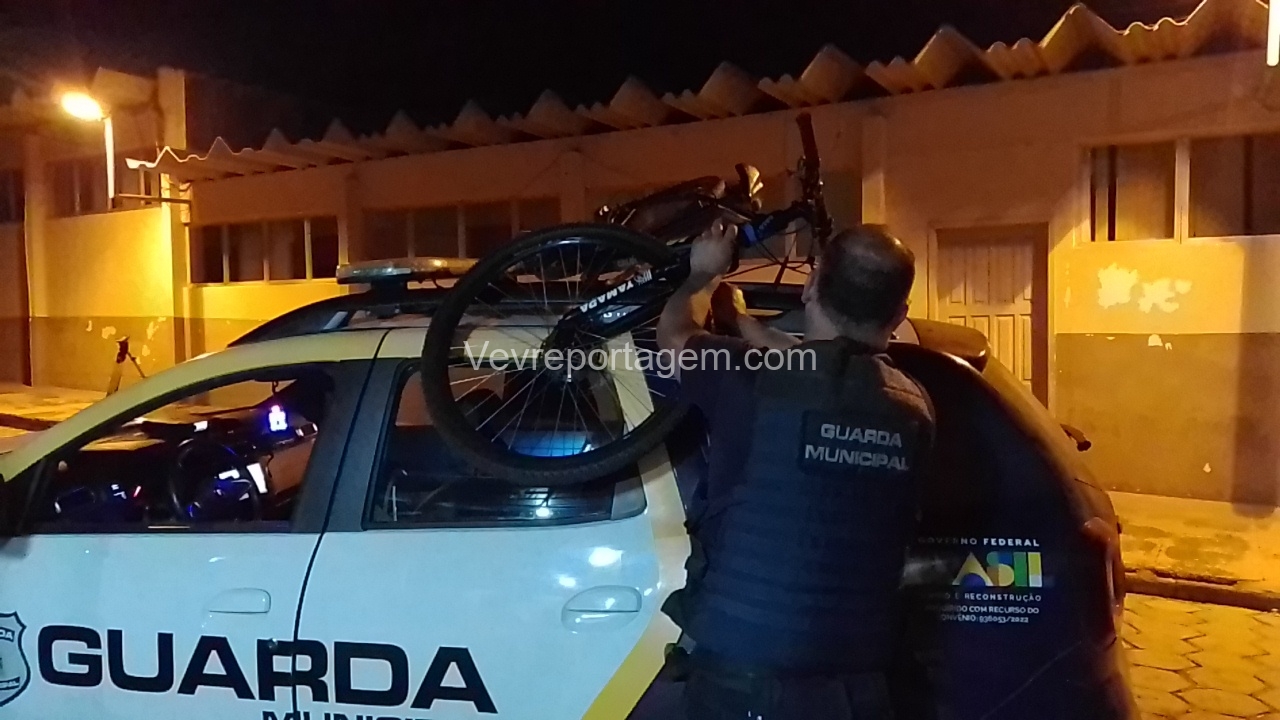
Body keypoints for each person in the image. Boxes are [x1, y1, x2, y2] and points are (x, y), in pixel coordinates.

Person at [655, 221, 936, 720]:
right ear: (899, 314)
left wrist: (702, 276)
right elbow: (829, 370)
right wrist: (743, 321)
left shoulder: (749, 377)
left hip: (743, 683)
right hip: (858, 692)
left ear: (809, 287)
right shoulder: (915, 409)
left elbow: (675, 336)